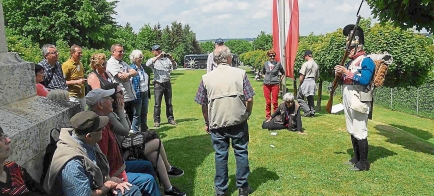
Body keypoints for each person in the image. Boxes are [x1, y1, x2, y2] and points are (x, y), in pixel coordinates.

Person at [86, 88, 185, 196]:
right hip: (117, 167)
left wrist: (121, 111)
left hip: (120, 161)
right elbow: (103, 160)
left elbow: (127, 128)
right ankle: (168, 177)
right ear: (100, 105)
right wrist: (110, 181)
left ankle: (165, 188)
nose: (113, 100)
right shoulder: (100, 126)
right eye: (109, 98)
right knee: (149, 176)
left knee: (148, 163)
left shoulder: (105, 117)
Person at [195, 45, 254, 196]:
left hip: (217, 122)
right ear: (229, 58)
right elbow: (249, 98)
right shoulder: (240, 73)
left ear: (215, 60)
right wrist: (247, 113)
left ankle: (221, 190)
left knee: (220, 155)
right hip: (238, 120)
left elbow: (203, 103)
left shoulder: (206, 78)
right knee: (241, 152)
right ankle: (243, 188)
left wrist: (207, 122)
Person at [43, 111, 141, 196]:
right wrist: (109, 185)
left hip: (97, 188)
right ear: (88, 136)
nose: (103, 130)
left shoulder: (87, 143)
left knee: (131, 189)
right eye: (100, 129)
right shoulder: (72, 163)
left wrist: (111, 182)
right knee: (132, 192)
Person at [334, 24, 375, 171]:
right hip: (348, 95)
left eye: (351, 47)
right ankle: (356, 158)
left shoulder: (366, 60)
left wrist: (347, 72)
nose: (348, 50)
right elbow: (345, 80)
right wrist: (339, 75)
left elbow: (364, 80)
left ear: (359, 46)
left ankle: (363, 163)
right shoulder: (351, 62)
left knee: (360, 129)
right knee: (351, 128)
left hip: (359, 97)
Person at [0, 126, 49, 195]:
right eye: (0, 139)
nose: (8, 140)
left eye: (5, 136)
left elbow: (40, 191)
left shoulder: (14, 168)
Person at [145, 44, 177, 127]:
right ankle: (156, 120)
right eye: (156, 50)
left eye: (159, 49)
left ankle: (171, 119)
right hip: (158, 84)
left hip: (167, 83)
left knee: (169, 103)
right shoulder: (153, 60)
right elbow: (147, 64)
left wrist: (171, 59)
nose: (159, 51)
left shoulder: (167, 60)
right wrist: (158, 57)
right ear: (153, 52)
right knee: (157, 104)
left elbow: (175, 67)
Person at [106, 44, 137, 123]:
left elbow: (135, 72)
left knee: (130, 117)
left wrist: (128, 74)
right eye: (120, 51)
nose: (122, 53)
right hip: (120, 96)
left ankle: (129, 133)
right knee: (123, 119)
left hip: (129, 95)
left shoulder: (122, 62)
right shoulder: (111, 63)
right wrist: (129, 74)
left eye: (123, 51)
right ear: (113, 52)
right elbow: (122, 77)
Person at [129, 50, 152, 132]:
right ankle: (135, 132)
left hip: (145, 92)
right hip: (137, 94)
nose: (141, 58)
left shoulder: (143, 67)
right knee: (136, 114)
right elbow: (129, 82)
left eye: (142, 56)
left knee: (144, 113)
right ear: (134, 59)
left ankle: (144, 131)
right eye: (139, 57)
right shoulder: (131, 68)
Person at [262, 49, 285, 119]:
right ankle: (268, 116)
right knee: (268, 102)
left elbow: (283, 73)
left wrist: (280, 80)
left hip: (275, 84)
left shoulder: (278, 64)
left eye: (273, 56)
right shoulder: (265, 64)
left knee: (275, 102)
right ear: (268, 56)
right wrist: (265, 77)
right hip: (266, 85)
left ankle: (275, 116)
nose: (272, 57)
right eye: (270, 56)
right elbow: (263, 73)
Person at [62, 44, 86, 111]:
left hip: (82, 95)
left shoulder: (80, 63)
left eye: (81, 53)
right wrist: (76, 82)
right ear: (72, 53)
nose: (81, 55)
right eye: (79, 53)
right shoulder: (66, 65)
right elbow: (62, 82)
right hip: (72, 97)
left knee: (84, 117)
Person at [297, 50, 319, 117]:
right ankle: (312, 112)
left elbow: (302, 75)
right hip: (313, 81)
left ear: (307, 56)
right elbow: (317, 77)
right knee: (310, 97)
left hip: (306, 80)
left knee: (299, 97)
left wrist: (300, 83)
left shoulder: (305, 64)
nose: (304, 58)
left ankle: (307, 111)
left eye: (305, 56)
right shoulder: (316, 65)